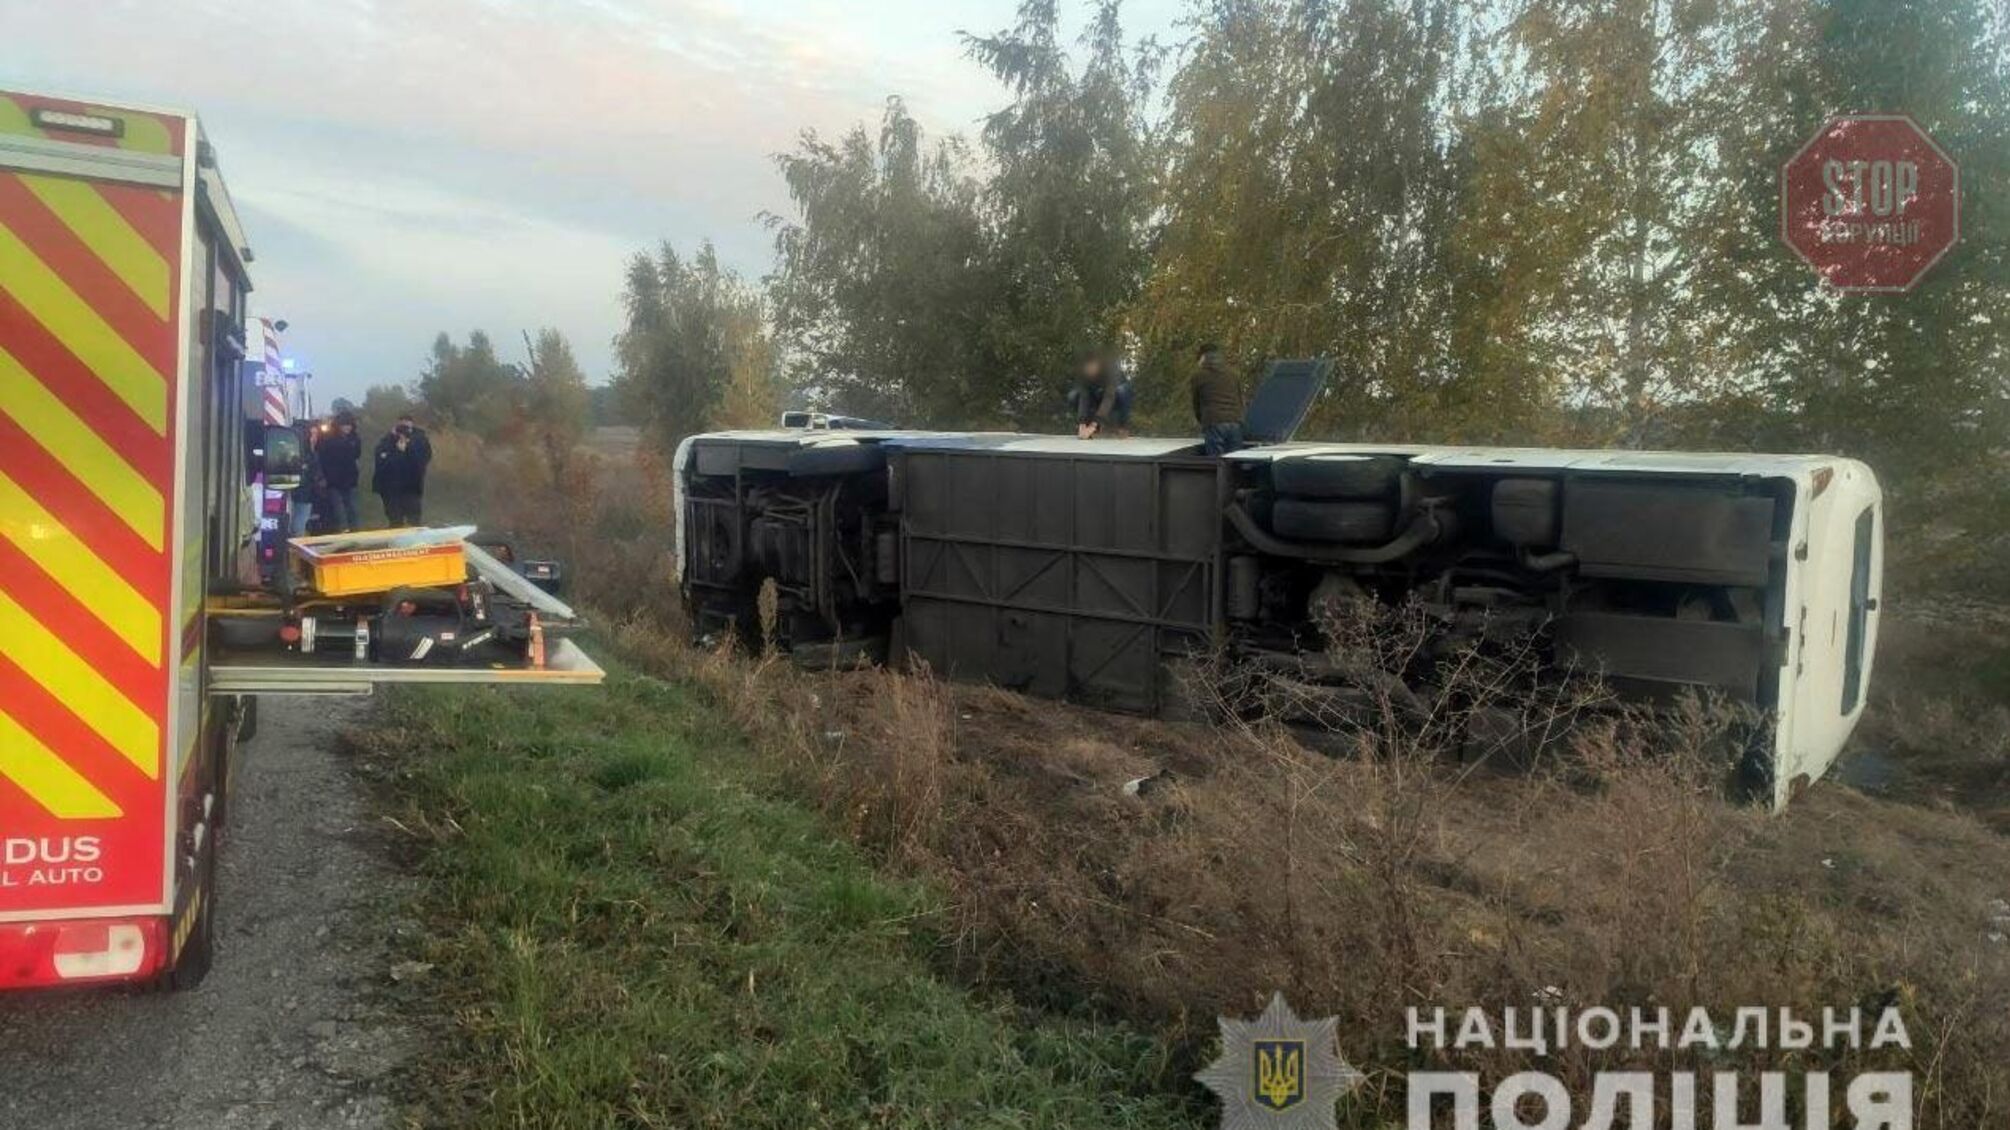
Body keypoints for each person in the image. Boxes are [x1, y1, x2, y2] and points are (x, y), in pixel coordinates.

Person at [372, 413, 433, 527]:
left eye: (407, 428)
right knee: (395, 519)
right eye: (401, 427)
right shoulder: (386, 441)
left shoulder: (420, 440)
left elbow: (422, 460)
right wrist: (396, 448)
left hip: (411, 485)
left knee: (414, 518)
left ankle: (415, 541)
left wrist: (408, 449)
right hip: (390, 487)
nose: (403, 432)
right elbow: (382, 462)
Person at [1190, 342, 1245, 456]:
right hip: (1235, 422)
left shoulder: (1199, 376)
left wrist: (1203, 421)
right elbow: (1240, 400)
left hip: (1214, 422)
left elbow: (1196, 404)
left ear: (1202, 358)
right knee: (1235, 460)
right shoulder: (1233, 374)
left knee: (1217, 462)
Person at [317, 410, 364, 533]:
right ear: (339, 426)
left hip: (350, 479)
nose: (348, 427)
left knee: (353, 508)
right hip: (334, 480)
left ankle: (356, 531)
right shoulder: (329, 439)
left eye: (349, 425)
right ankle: (343, 530)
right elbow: (323, 458)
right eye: (345, 425)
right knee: (339, 509)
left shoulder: (355, 439)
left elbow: (357, 455)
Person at [1072, 352, 1134, 439]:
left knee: (1121, 391)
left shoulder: (1110, 369)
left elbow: (1109, 397)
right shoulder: (1083, 373)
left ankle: (1122, 426)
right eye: (1087, 369)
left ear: (1097, 365)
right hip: (1099, 392)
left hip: (1116, 391)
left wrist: (1093, 424)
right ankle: (1092, 428)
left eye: (1091, 369)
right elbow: (1084, 396)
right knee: (1074, 395)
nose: (1089, 372)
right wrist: (1082, 424)